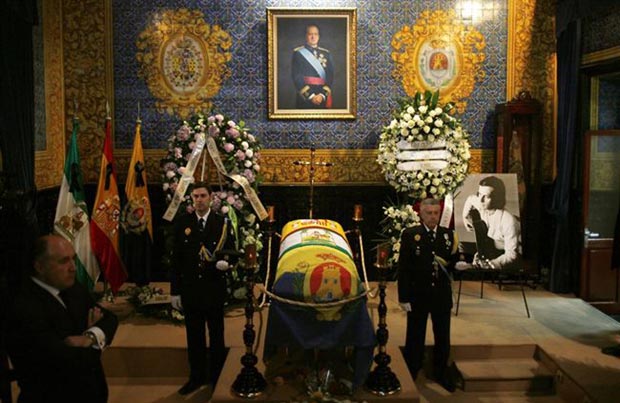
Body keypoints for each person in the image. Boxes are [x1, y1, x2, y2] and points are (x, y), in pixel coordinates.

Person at [7, 235, 118, 403]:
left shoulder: (72, 288)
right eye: (63, 261)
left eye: (73, 259)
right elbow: (63, 361)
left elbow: (110, 319)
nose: (73, 267)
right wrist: (95, 344)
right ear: (39, 267)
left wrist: (89, 337)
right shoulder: (23, 306)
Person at [170, 182, 235, 395]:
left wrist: (227, 263)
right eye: (195, 196)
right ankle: (196, 377)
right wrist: (175, 291)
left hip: (214, 288)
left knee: (217, 335)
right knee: (194, 336)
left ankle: (216, 377)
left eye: (203, 196)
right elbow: (176, 260)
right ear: (191, 199)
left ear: (211, 197)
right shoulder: (182, 223)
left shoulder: (222, 223)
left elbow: (232, 250)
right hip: (191, 290)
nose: (199, 200)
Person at [398, 198, 458, 392]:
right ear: (421, 214)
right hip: (418, 294)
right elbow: (404, 269)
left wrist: (461, 267)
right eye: (429, 213)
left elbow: (454, 263)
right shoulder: (410, 235)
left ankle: (441, 371)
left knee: (442, 335)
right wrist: (403, 297)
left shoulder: (448, 235)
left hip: (441, 295)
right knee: (415, 334)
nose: (433, 217)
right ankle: (412, 368)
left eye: (436, 213)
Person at [462, 175, 521, 270]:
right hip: (488, 246)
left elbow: (512, 255)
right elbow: (470, 199)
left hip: (503, 253)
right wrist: (465, 218)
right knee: (461, 247)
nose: (481, 200)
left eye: (486, 196)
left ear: (497, 198)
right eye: (479, 194)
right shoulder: (482, 203)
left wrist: (492, 264)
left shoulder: (508, 221)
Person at [292, 23, 334, 109]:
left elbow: (330, 76)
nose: (313, 37)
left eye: (315, 34)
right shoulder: (298, 53)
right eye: (310, 34)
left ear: (318, 36)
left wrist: (322, 95)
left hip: (322, 96)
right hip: (305, 98)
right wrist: (311, 96)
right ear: (306, 36)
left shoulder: (326, 53)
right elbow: (297, 77)